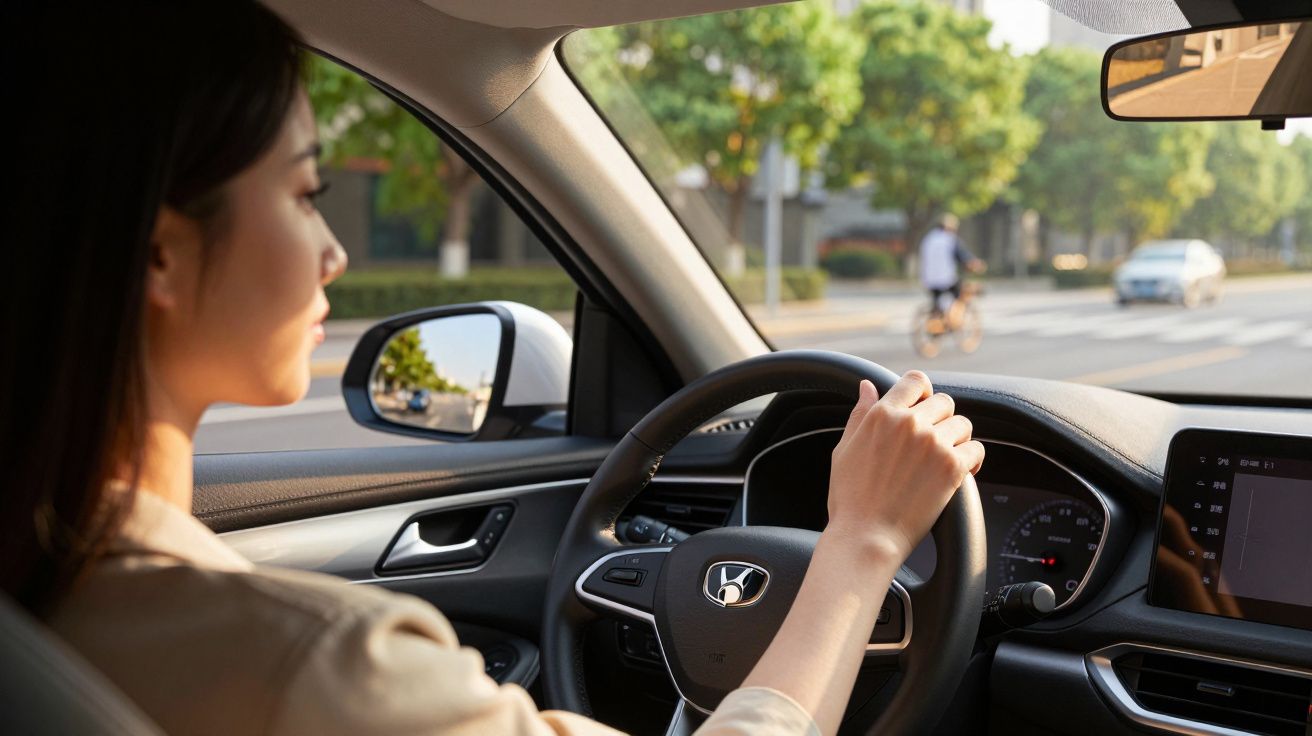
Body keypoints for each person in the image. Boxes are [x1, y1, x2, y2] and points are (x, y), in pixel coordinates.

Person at [0, 4, 985, 735]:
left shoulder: (55, 595)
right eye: (306, 193)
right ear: (161, 256)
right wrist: (861, 538)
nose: (333, 253)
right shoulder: (318, 664)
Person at [918, 214, 986, 328]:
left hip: (927, 279)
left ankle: (937, 318)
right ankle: (952, 320)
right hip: (945, 278)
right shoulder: (950, 240)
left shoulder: (928, 238)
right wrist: (976, 265)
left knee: (937, 300)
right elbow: (964, 257)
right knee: (959, 293)